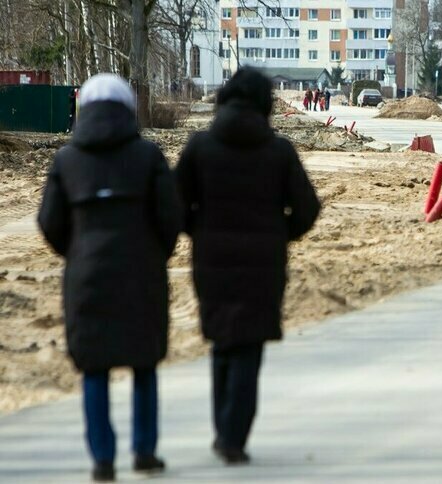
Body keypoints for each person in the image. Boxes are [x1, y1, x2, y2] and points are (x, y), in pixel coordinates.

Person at [38, 73, 181, 482]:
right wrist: (155, 253)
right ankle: (144, 452)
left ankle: (102, 459)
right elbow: (170, 218)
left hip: (87, 276)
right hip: (141, 273)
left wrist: (78, 253)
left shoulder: (67, 159)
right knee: (144, 363)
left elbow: (49, 222)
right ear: (127, 109)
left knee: (95, 367)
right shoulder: (149, 155)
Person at [175, 67, 321, 465]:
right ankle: (232, 436)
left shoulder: (199, 148)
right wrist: (280, 233)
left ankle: (224, 429)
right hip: (264, 262)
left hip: (211, 258)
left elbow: (173, 204)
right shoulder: (279, 151)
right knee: (249, 348)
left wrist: (198, 229)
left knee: (222, 342)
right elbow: (308, 208)